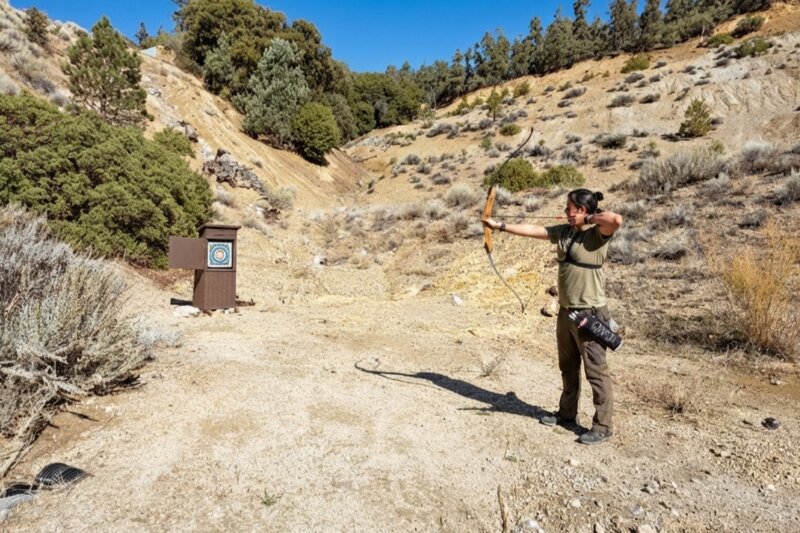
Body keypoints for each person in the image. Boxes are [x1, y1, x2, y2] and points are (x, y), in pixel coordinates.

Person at [483, 189, 623, 445]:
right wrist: (499, 226)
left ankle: (603, 426)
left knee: (596, 371)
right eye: (567, 208)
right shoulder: (564, 232)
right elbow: (535, 230)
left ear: (583, 210)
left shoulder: (597, 235)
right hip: (567, 311)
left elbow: (616, 220)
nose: (566, 212)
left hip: (590, 314)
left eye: (571, 208)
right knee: (567, 367)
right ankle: (567, 413)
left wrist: (587, 220)